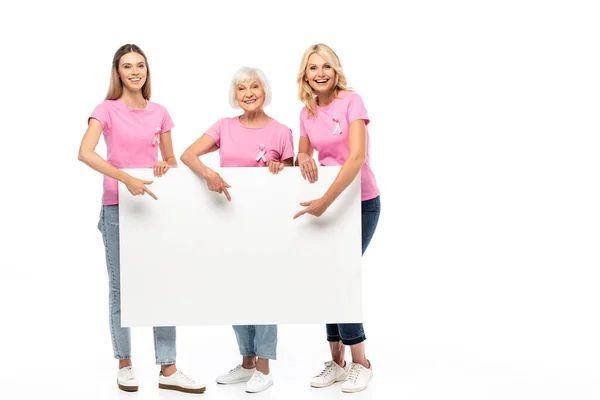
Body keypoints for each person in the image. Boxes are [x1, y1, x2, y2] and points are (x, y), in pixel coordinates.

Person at [77, 44, 205, 394]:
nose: (135, 71)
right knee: (122, 287)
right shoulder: (105, 110)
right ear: (117, 72)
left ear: (147, 71)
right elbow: (84, 153)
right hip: (117, 207)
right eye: (127, 66)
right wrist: (125, 178)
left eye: (140, 66)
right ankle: (125, 363)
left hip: (154, 207)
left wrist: (164, 166)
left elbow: (172, 162)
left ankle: (168, 367)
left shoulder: (160, 112)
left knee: (162, 283)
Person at [180, 66, 294, 393]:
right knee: (236, 290)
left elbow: (291, 176)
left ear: (264, 90)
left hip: (266, 225)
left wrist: (281, 167)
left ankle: (264, 367)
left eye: (254, 86)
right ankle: (246, 363)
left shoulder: (282, 132)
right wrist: (208, 174)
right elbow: (189, 154)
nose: (248, 93)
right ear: (235, 95)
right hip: (229, 221)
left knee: (264, 291)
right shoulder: (224, 127)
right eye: (241, 88)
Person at [294, 43, 381, 393]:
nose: (320, 73)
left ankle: (361, 362)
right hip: (327, 203)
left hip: (359, 202)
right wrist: (302, 158)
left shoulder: (351, 102)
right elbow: (303, 149)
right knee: (326, 276)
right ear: (305, 74)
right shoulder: (307, 111)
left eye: (326, 66)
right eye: (313, 67)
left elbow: (357, 157)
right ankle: (337, 362)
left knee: (341, 275)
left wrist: (325, 202)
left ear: (336, 70)